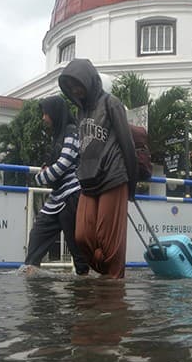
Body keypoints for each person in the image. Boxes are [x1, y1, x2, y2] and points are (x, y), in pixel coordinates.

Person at [58, 58, 137, 279]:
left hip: (112, 175)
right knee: (82, 235)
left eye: (79, 83)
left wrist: (132, 183)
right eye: (71, 85)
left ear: (90, 81)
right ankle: (106, 275)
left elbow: (127, 142)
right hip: (88, 180)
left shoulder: (111, 103)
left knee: (107, 238)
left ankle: (112, 288)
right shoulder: (80, 111)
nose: (75, 89)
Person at [24, 96, 89, 275]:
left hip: (71, 195)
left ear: (55, 113)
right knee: (37, 234)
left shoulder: (71, 131)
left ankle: (85, 286)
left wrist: (41, 177)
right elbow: (56, 163)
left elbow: (64, 162)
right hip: (57, 197)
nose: (44, 118)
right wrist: (47, 171)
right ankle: (30, 271)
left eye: (46, 113)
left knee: (75, 246)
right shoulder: (58, 135)